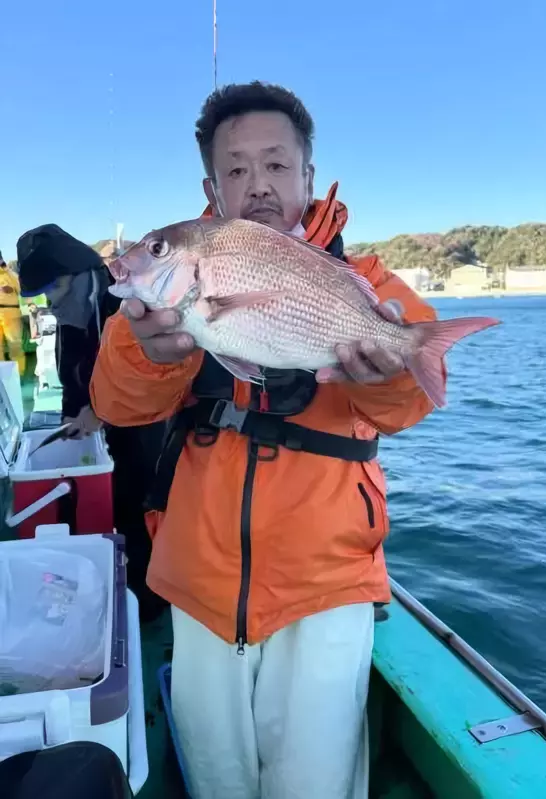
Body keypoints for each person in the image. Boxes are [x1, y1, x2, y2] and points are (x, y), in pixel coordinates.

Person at [90, 81, 445, 799]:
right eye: (237, 169)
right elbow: (116, 404)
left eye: (277, 165)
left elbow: (410, 404)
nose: (258, 185)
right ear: (212, 189)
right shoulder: (171, 279)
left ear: (308, 176)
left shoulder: (368, 282)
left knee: (314, 782)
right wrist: (149, 353)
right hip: (199, 575)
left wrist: (384, 375)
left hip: (327, 581)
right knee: (217, 779)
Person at [17, 225, 167, 622]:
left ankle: (148, 605)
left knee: (141, 503)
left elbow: (147, 374)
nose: (52, 303)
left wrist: (101, 411)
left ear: (78, 275)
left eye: (55, 288)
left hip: (146, 427)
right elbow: (71, 368)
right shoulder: (73, 310)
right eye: (44, 294)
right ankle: (117, 585)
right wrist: (73, 413)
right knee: (112, 504)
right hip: (104, 428)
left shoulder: (126, 301)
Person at [0, 250, 26, 376]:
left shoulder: (10, 274)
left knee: (15, 346)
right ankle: (2, 377)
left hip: (11, 314)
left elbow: (22, 288)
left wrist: (6, 269)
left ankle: (18, 375)